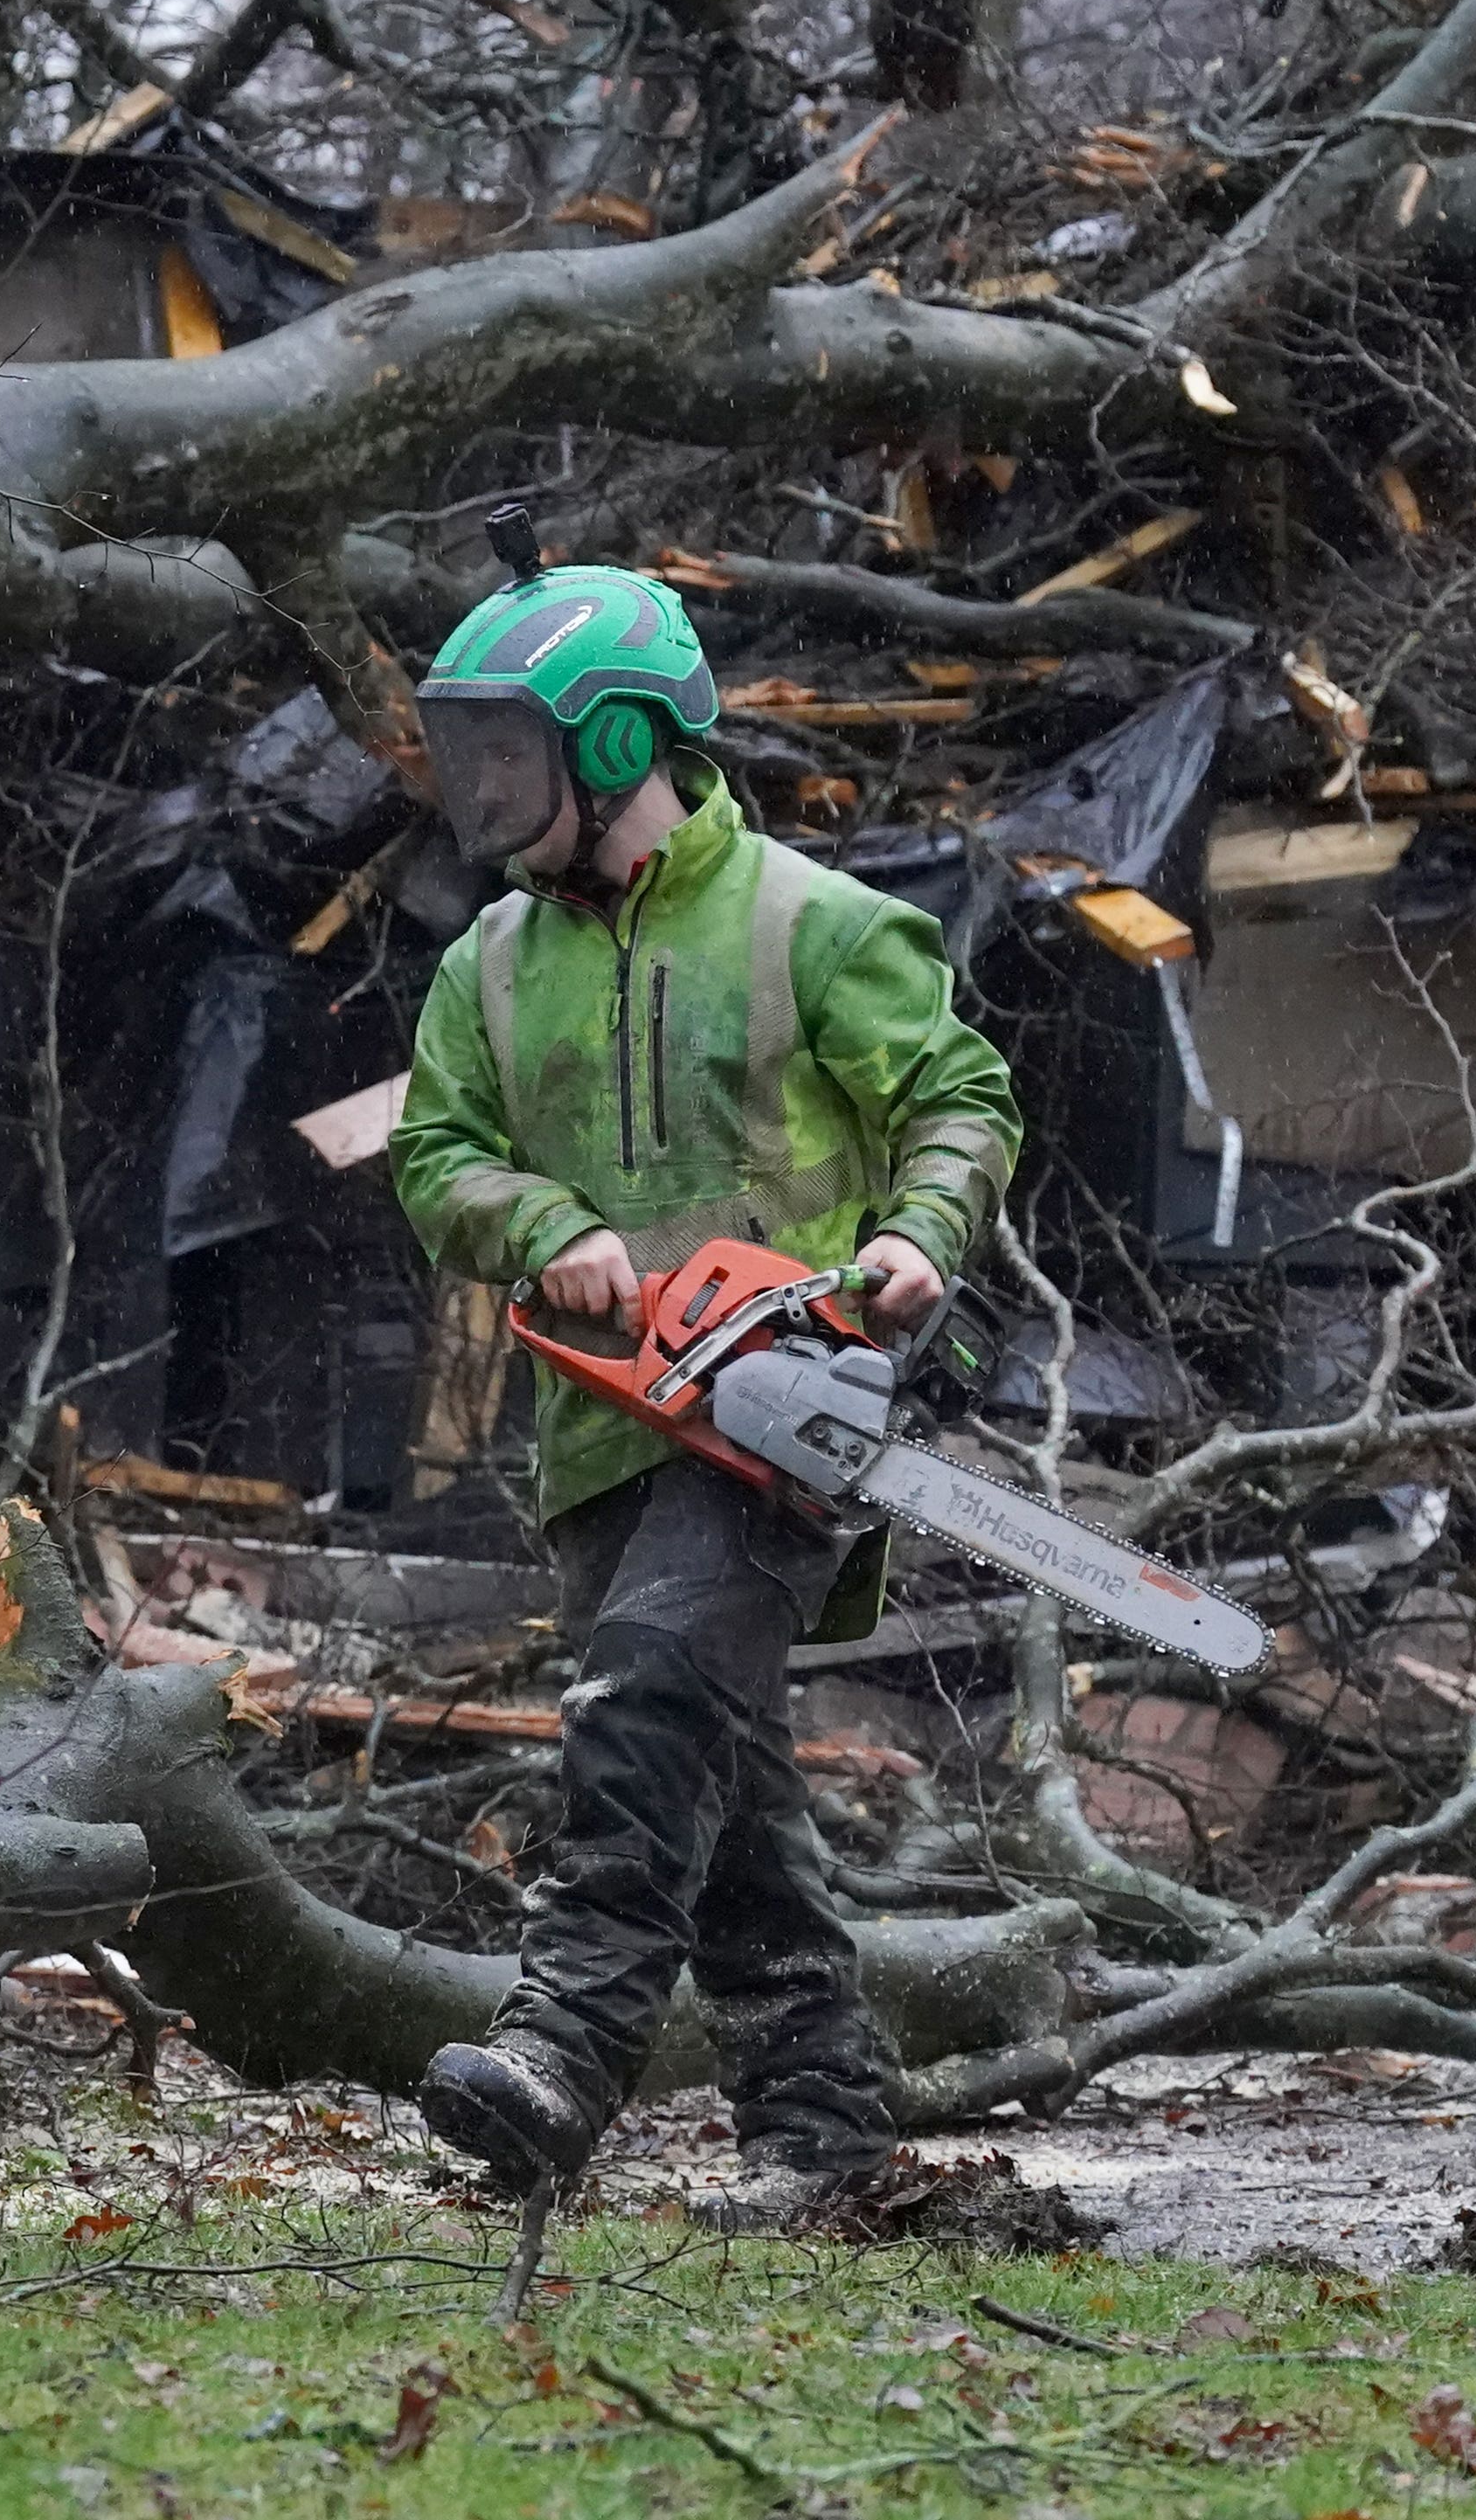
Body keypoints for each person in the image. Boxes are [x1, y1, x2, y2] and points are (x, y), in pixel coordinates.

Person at [385, 542, 1021, 2223]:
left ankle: (561, 2050)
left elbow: (959, 1097)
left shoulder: (817, 925)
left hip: (781, 1411)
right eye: (473, 756)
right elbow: (434, 1152)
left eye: (510, 752)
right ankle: (819, 2130)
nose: (483, 787)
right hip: (602, 1425)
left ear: (613, 746)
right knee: (722, 1790)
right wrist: (539, 1222)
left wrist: (917, 1237)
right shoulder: (488, 968)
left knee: (647, 1696)